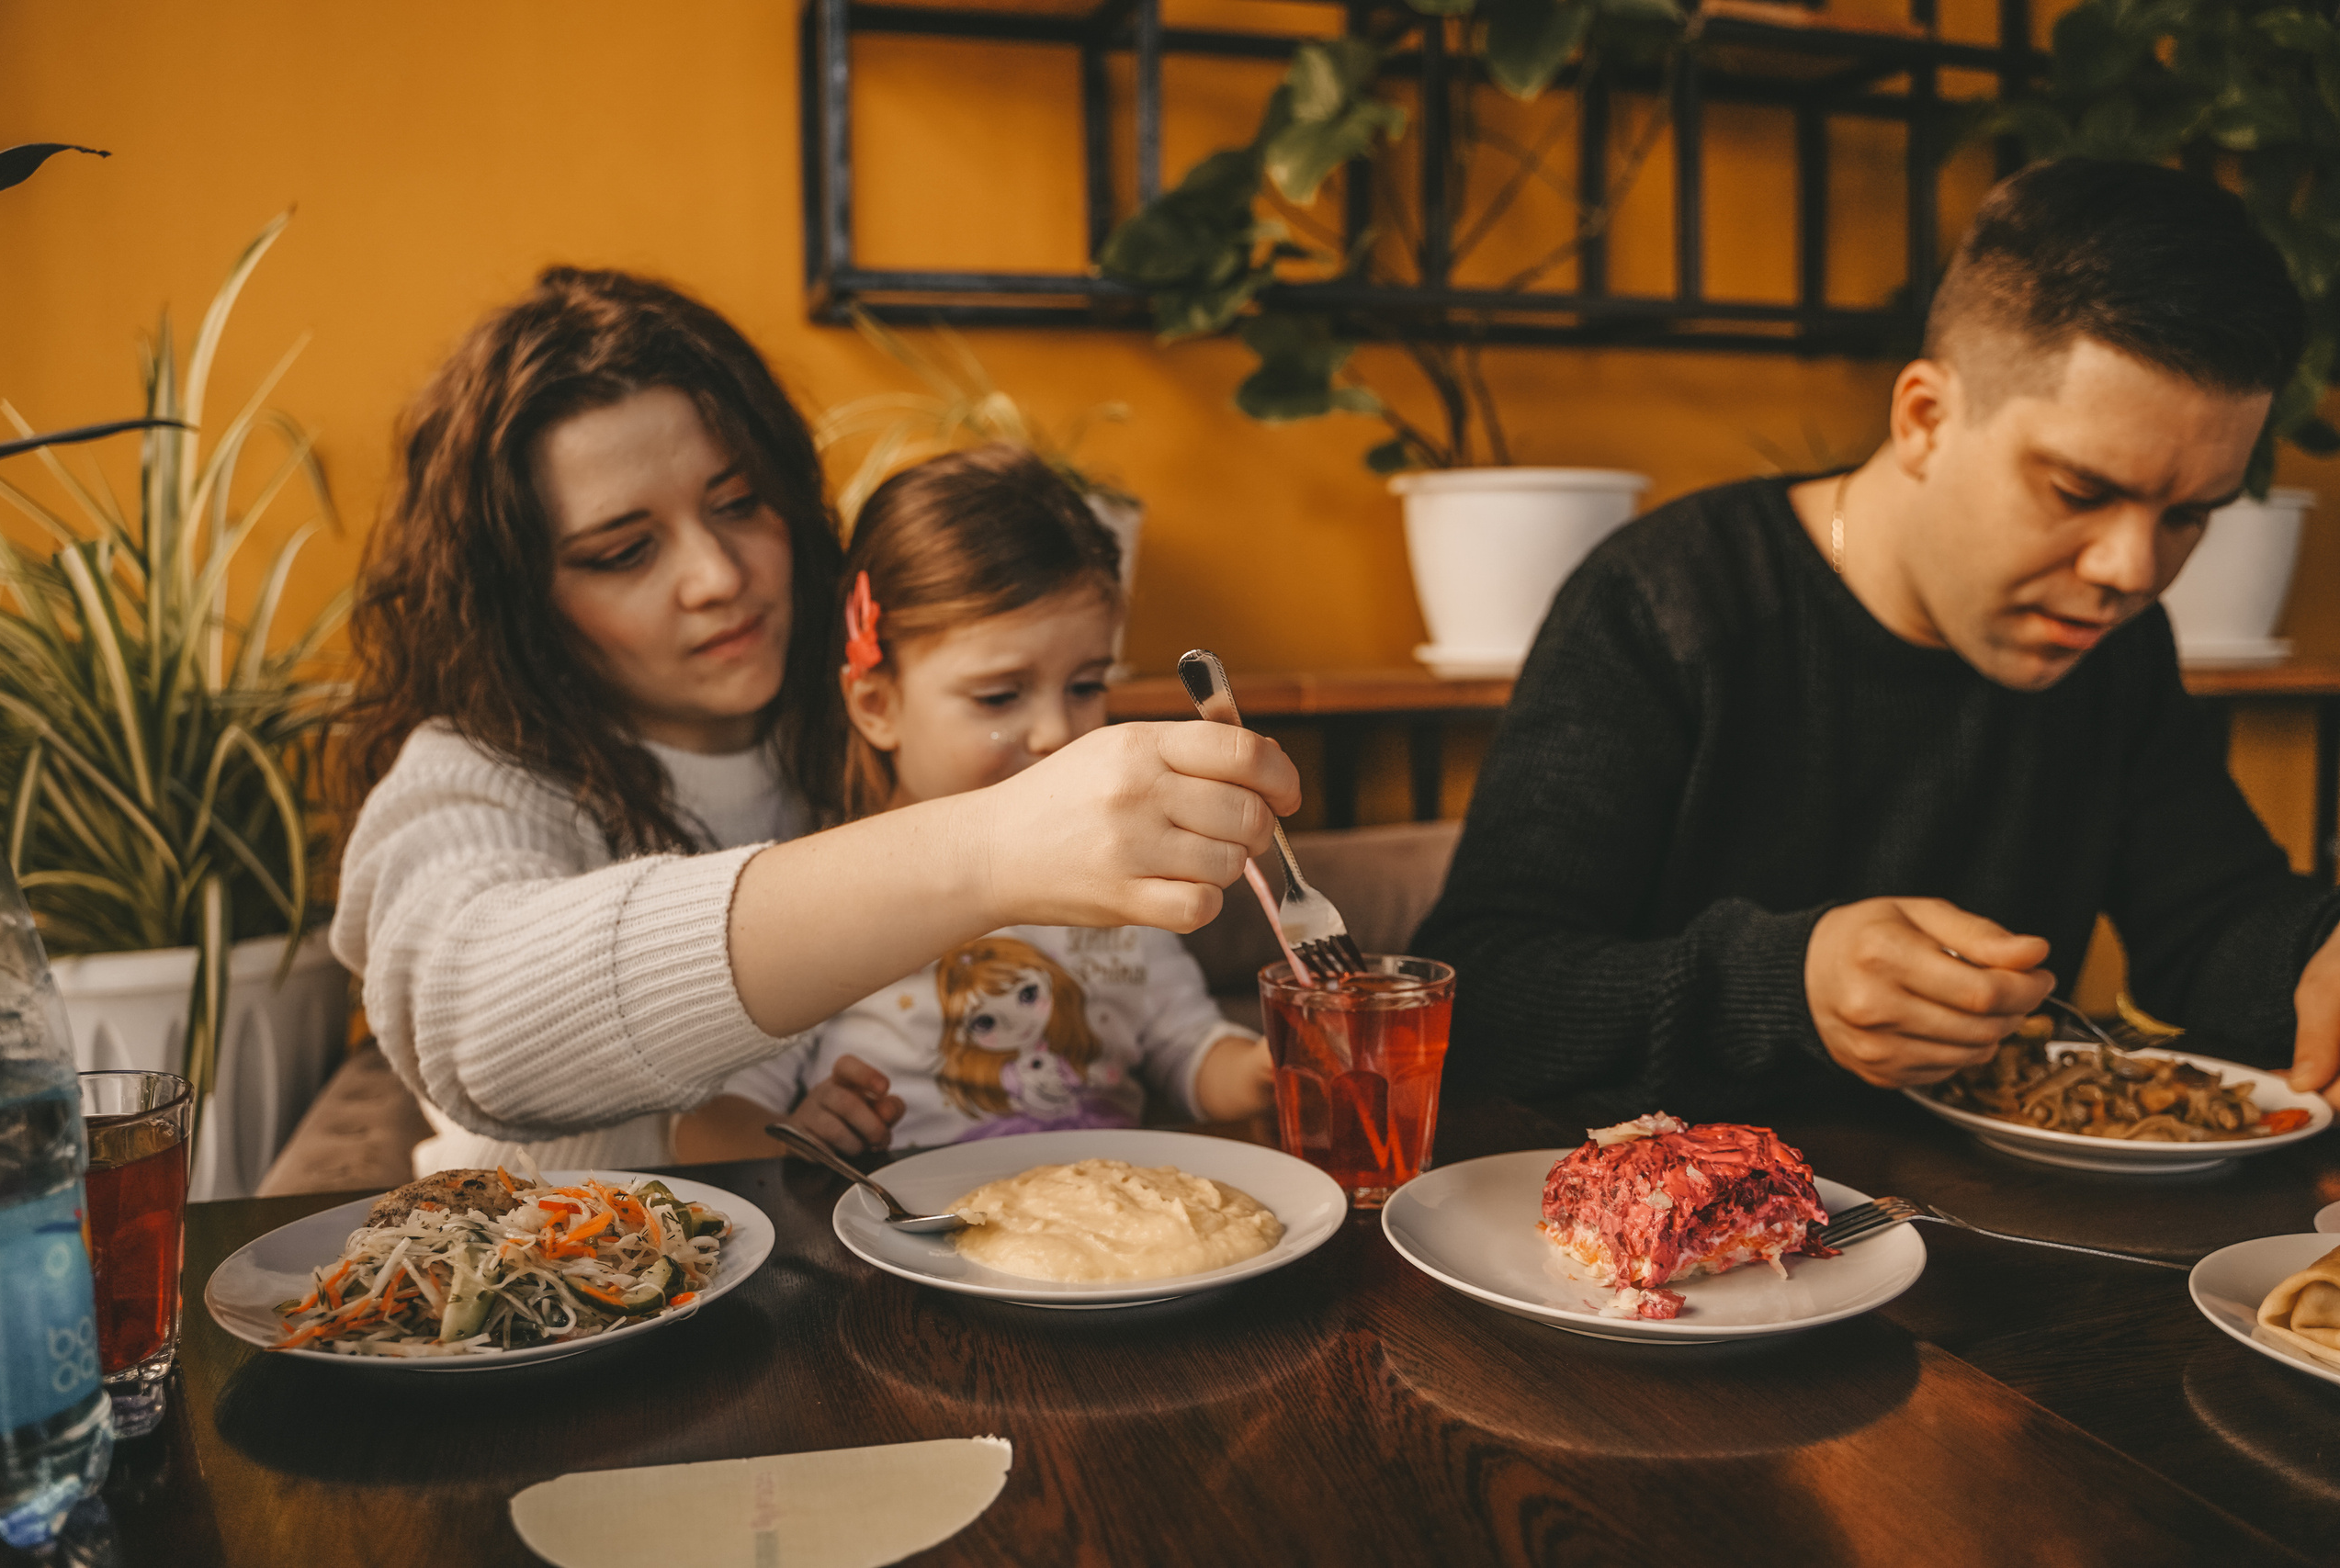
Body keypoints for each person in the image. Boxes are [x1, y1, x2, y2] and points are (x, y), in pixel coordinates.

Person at [1413, 157, 2340, 1121]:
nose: (2132, 572)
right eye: (2080, 492)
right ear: (1926, 420)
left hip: (1989, 1234)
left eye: (2191, 515)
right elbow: (1482, 991)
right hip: (1654, 1245)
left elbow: (2210, 919)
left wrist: (2318, 951)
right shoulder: (1664, 602)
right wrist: (1781, 984)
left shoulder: (2110, 642)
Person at [333, 269, 1295, 1172]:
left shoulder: (860, 724)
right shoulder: (468, 779)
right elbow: (474, 1030)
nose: (718, 578)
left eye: (740, 503)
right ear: (518, 602)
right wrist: (990, 849)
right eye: (625, 551)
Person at [678, 445, 1277, 1157]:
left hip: (1111, 1234)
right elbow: (710, 1124)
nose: (1058, 732)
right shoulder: (821, 902)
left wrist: (1264, 1071)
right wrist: (806, 1137)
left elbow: (1186, 1047)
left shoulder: (1123, 882)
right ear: (877, 705)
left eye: (1085, 684)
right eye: (999, 696)